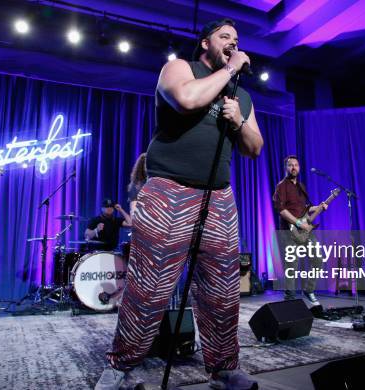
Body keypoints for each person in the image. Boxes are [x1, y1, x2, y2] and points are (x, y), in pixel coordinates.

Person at [96, 18, 263, 390]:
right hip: (169, 191)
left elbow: (255, 148)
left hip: (219, 198)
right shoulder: (180, 69)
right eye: (225, 37)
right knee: (149, 288)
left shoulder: (242, 95)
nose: (233, 43)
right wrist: (232, 69)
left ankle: (224, 369)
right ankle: (121, 367)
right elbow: (187, 100)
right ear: (205, 43)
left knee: (222, 290)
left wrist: (238, 121)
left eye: (237, 40)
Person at [273, 155, 328, 304]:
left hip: (305, 231)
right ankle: (290, 300)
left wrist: (320, 207)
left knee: (318, 259)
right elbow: (282, 210)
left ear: (299, 167)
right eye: (290, 165)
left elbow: (306, 209)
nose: (293, 168)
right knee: (292, 266)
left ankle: (309, 290)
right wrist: (298, 223)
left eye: (296, 165)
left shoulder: (301, 187)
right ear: (286, 168)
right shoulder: (281, 186)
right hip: (289, 232)